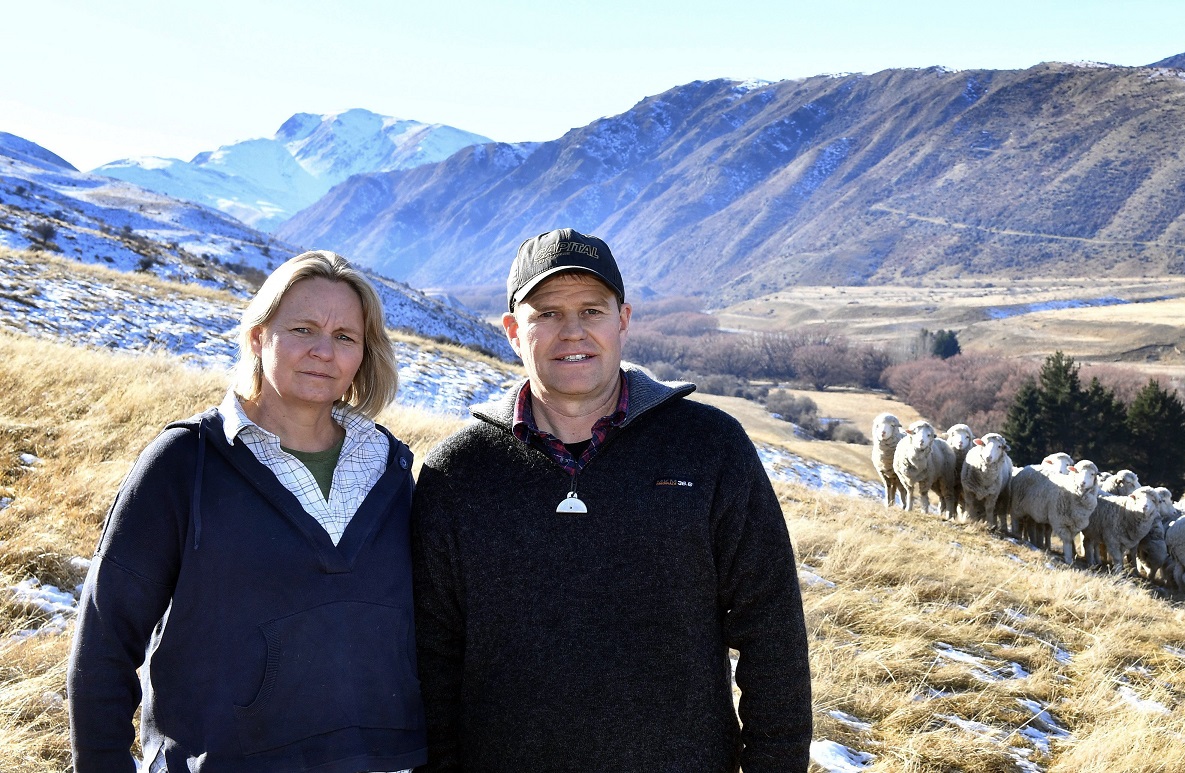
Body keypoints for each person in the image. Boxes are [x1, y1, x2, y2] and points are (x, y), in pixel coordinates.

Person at [411, 228, 811, 772]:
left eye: (592, 310)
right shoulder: (458, 471)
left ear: (622, 319)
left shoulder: (709, 447)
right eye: (546, 313)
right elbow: (433, 656)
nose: (572, 332)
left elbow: (772, 630)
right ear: (512, 331)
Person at [67, 251, 426, 773]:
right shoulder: (183, 464)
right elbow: (104, 645)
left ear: (363, 356)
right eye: (303, 328)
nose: (324, 351)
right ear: (259, 338)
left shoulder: (391, 470)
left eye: (346, 337)